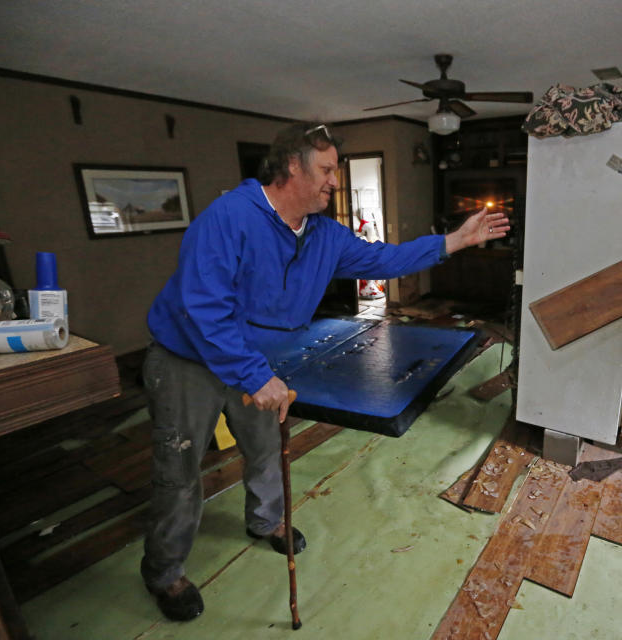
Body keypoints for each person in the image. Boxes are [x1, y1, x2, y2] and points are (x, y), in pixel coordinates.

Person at [140, 121, 509, 621]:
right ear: (292, 165)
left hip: (253, 359)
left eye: (336, 170)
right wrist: (254, 375)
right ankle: (164, 572)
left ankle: (265, 520)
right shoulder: (229, 218)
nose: (335, 181)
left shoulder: (324, 235)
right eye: (327, 169)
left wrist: (449, 244)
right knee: (179, 473)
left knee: (266, 447)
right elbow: (204, 309)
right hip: (188, 358)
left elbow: (384, 257)